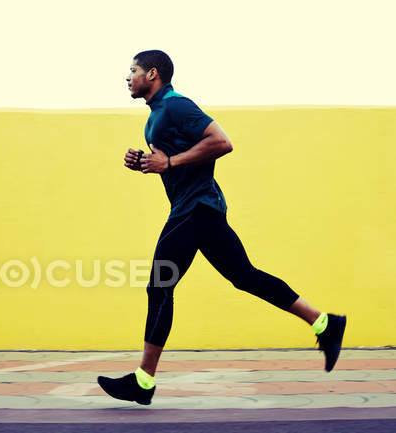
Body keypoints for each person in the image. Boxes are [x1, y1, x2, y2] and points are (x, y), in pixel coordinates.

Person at [96, 50, 346, 406]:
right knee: (244, 276)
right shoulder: (155, 117)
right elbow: (173, 163)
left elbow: (222, 142)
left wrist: (170, 161)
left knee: (159, 285)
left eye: (133, 70)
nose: (127, 77)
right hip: (201, 209)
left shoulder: (177, 105)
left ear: (152, 74)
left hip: (195, 209)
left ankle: (143, 381)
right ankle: (324, 324)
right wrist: (145, 163)